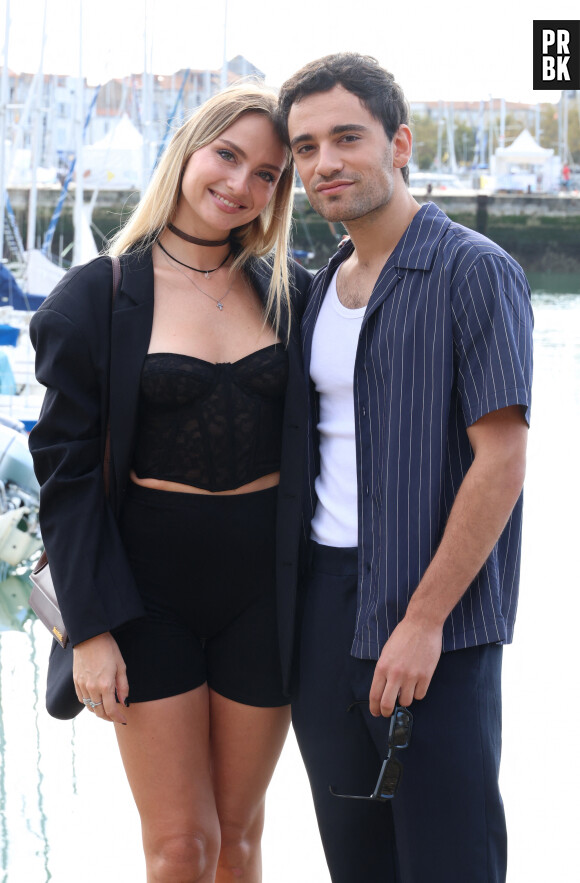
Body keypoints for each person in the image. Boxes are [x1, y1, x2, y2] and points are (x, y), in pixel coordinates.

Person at [28, 82, 311, 883]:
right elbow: (68, 477)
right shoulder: (98, 296)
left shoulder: (289, 291)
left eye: (268, 173)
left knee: (242, 836)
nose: (241, 183)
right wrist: (88, 630)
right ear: (188, 149)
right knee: (181, 845)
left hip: (266, 591)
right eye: (228, 155)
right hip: (144, 594)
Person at [277, 53, 533, 883]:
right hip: (326, 611)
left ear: (400, 142)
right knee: (356, 863)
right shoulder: (317, 290)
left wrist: (423, 622)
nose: (326, 163)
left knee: (451, 862)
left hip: (440, 620)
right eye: (306, 146)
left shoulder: (475, 271)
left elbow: (501, 458)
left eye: (347, 137)